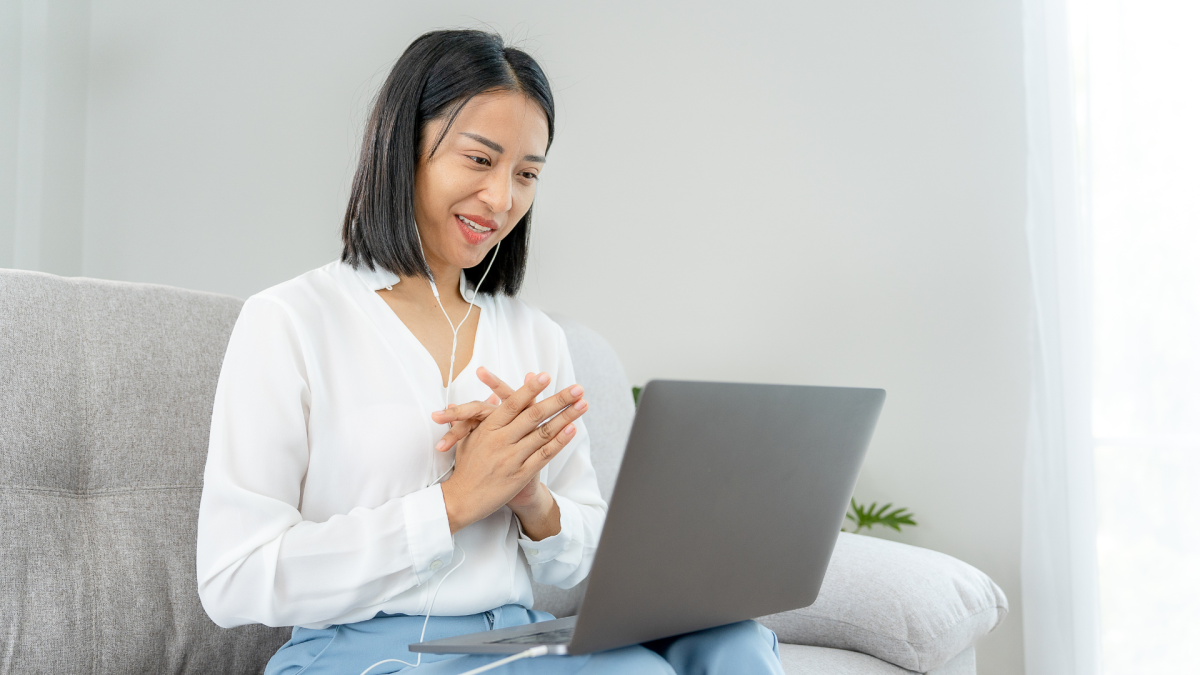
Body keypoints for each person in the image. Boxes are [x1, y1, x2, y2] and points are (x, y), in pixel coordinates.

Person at [196, 29, 784, 675]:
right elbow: (234, 576)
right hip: (365, 651)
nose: (503, 200)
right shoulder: (289, 322)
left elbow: (581, 550)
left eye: (526, 173)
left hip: (512, 641)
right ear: (404, 147)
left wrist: (532, 498)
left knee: (736, 640)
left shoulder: (537, 337)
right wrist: (454, 503)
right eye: (480, 160)